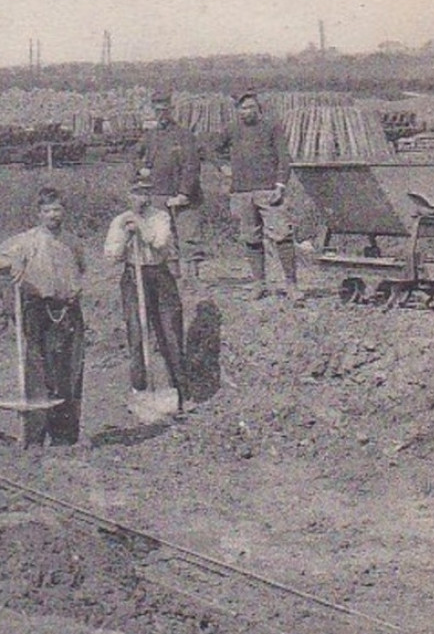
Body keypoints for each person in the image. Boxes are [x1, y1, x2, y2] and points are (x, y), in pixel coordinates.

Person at [0, 187, 87, 448]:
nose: (53, 215)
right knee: (37, 372)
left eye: (57, 209)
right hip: (37, 310)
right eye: (47, 210)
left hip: (68, 311)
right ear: (38, 214)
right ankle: (34, 437)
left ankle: (64, 437)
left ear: (64, 211)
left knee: (68, 372)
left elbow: (81, 269)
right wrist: (10, 264)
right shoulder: (26, 241)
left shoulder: (73, 242)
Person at [104, 178, 186, 412]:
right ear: (129, 195)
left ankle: (179, 391)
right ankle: (140, 390)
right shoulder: (119, 221)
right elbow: (110, 256)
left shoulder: (160, 217)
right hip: (133, 275)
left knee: (170, 331)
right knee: (137, 333)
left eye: (146, 193)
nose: (142, 198)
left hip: (159, 275)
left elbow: (160, 243)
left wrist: (141, 226)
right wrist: (126, 237)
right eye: (137, 193)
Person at [215, 90, 299, 300]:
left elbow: (284, 157)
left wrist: (280, 185)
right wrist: (223, 167)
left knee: (282, 235)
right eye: (243, 108)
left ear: (258, 109)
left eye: (251, 107)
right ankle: (259, 283)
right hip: (242, 192)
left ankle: (291, 284)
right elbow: (209, 148)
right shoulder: (232, 130)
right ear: (237, 111)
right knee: (251, 237)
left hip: (268, 190)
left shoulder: (271, 127)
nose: (247, 111)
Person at [133, 89, 204, 279]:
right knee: (165, 236)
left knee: (189, 236)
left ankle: (192, 279)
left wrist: (184, 193)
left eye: (164, 110)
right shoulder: (150, 135)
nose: (161, 115)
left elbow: (192, 166)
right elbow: (135, 155)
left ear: (171, 110)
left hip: (184, 195)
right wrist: (141, 169)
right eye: (157, 111)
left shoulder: (184, 135)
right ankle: (173, 277)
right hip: (159, 193)